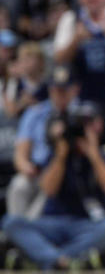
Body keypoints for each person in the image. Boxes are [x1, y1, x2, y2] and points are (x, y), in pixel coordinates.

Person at [1, 97, 105, 270]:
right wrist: (61, 155)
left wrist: (94, 155)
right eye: (80, 123)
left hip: (86, 224)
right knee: (11, 222)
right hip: (52, 222)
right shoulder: (56, 154)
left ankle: (50, 259)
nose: (84, 129)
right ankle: (66, 260)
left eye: (89, 122)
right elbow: (48, 190)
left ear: (99, 125)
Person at [7, 68, 77, 219]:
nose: (60, 95)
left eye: (64, 90)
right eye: (56, 90)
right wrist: (25, 167)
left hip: (70, 172)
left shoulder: (82, 114)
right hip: (37, 170)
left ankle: (23, 234)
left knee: (49, 188)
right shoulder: (35, 113)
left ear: (75, 89)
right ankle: (18, 230)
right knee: (19, 185)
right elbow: (20, 153)